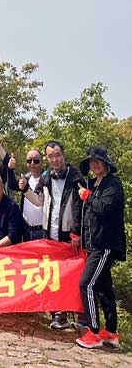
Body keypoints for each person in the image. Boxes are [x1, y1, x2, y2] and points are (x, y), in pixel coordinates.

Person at [21, 140, 84, 330]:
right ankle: (58, 314)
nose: (55, 159)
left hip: (69, 235)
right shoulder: (46, 177)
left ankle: (82, 318)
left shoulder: (76, 177)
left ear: (63, 155)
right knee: (53, 275)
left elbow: (81, 208)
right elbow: (39, 201)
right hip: (50, 234)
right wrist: (25, 189)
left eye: (57, 155)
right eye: (50, 156)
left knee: (72, 275)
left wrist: (76, 233)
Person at [75, 147, 125, 349]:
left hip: (105, 245)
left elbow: (105, 208)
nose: (94, 164)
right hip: (93, 244)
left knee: (86, 284)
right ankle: (111, 333)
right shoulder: (92, 184)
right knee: (104, 288)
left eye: (98, 161)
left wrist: (88, 196)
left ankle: (93, 332)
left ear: (106, 163)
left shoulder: (113, 184)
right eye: (91, 161)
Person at [15, 148, 49, 241]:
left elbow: (39, 201)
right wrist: (10, 168)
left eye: (36, 160)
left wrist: (25, 188)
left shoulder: (47, 179)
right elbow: (11, 185)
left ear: (42, 162)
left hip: (42, 231)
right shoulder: (26, 177)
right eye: (29, 160)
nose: (32, 163)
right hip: (26, 229)